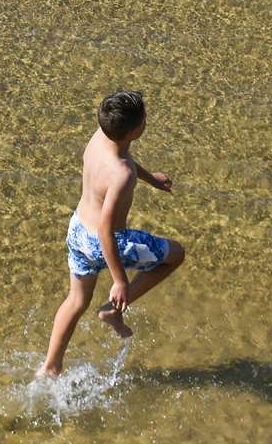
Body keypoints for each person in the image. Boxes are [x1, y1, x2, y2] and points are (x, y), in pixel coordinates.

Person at [38, 91, 184, 378]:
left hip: (78, 229)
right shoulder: (123, 174)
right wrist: (120, 281)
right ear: (134, 131)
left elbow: (124, 155)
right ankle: (111, 311)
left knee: (76, 301)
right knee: (176, 254)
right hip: (103, 241)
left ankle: (51, 366)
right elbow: (106, 227)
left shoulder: (100, 138)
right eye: (144, 118)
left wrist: (151, 179)